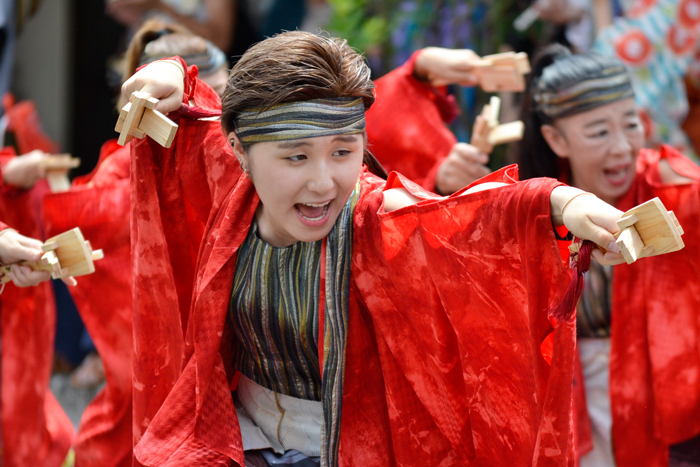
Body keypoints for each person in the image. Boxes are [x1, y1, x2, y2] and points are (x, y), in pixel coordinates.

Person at [123, 31, 629, 466]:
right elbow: (195, 117)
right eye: (296, 156)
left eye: (344, 151)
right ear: (238, 151)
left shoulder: (374, 216)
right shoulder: (227, 176)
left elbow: (460, 219)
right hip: (240, 440)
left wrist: (556, 203)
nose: (323, 182)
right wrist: (168, 71)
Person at [515, 44, 700, 467]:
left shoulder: (676, 188)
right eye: (599, 132)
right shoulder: (532, 206)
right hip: (570, 400)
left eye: (631, 124)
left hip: (664, 404)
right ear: (556, 138)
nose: (622, 147)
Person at [366, 46, 491, 195]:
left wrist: (419, 68)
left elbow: (376, 105)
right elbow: (373, 202)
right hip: (431, 203)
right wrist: (435, 183)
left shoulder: (355, 110)